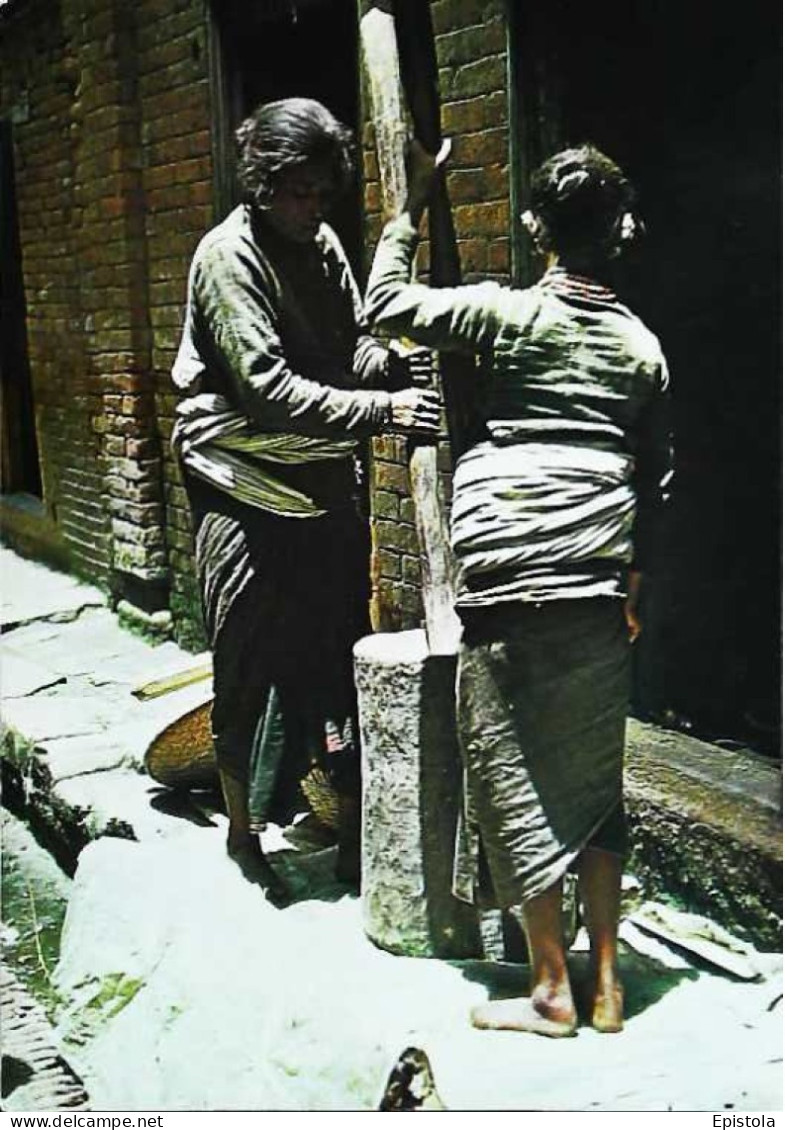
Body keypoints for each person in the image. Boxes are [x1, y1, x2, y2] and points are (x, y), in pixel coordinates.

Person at [365, 140, 672, 1034]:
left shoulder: (503, 316)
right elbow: (654, 479)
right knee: (592, 782)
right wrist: (631, 587)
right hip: (594, 580)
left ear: (534, 228)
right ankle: (606, 986)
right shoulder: (641, 348)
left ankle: (548, 990)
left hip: (506, 580)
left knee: (511, 776)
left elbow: (385, 305)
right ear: (618, 236)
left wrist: (409, 208)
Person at [171, 98, 439, 896]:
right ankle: (244, 834)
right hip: (243, 482)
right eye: (299, 193)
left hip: (319, 479)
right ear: (262, 185)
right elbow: (265, 390)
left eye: (323, 194)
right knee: (246, 657)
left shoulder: (321, 247)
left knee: (335, 654)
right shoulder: (229, 259)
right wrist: (380, 410)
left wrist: (385, 362)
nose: (313, 208)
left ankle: (351, 825)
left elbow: (345, 341)